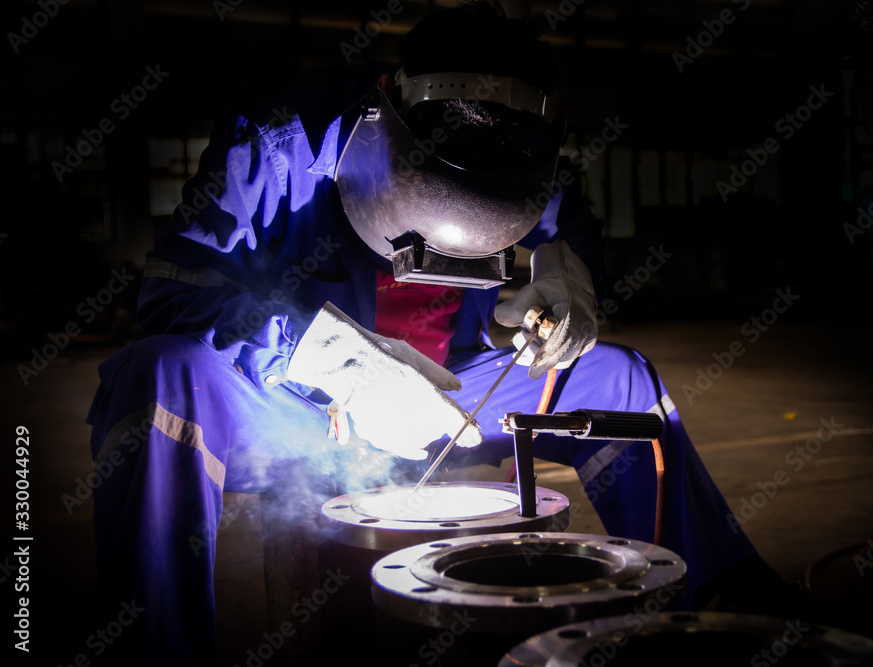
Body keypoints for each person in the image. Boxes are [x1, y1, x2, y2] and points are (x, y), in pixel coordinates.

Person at [86, 3, 804, 664]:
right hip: (306, 408)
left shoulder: (527, 152)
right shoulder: (281, 135)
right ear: (387, 110)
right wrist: (332, 361)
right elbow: (174, 290)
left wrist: (570, 281)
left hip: (456, 404)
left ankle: (706, 594)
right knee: (157, 379)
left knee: (620, 380)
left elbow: (572, 233)